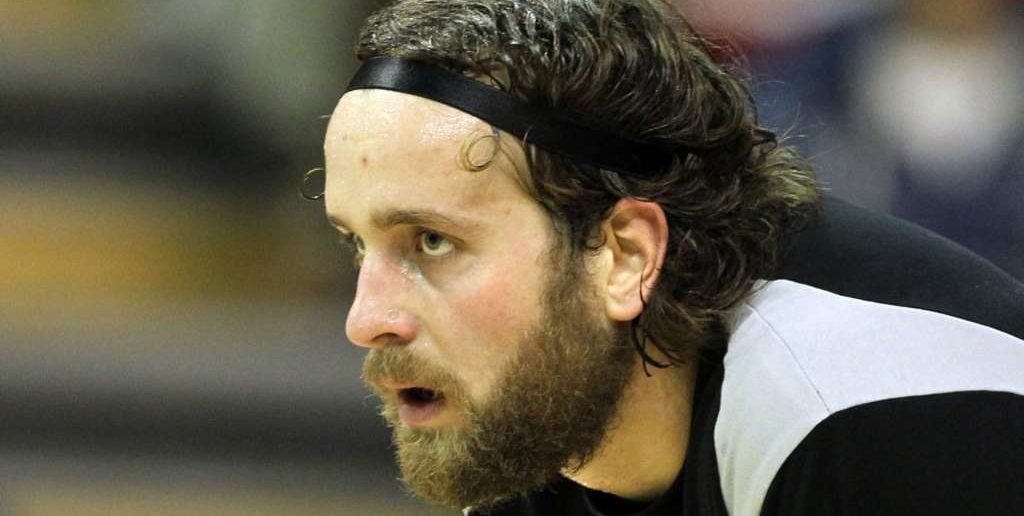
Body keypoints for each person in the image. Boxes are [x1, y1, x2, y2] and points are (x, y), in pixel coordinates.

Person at [317, 1, 1024, 514]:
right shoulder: (536, 430)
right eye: (356, 244)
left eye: (432, 241)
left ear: (625, 255)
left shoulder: (860, 414)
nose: (366, 319)